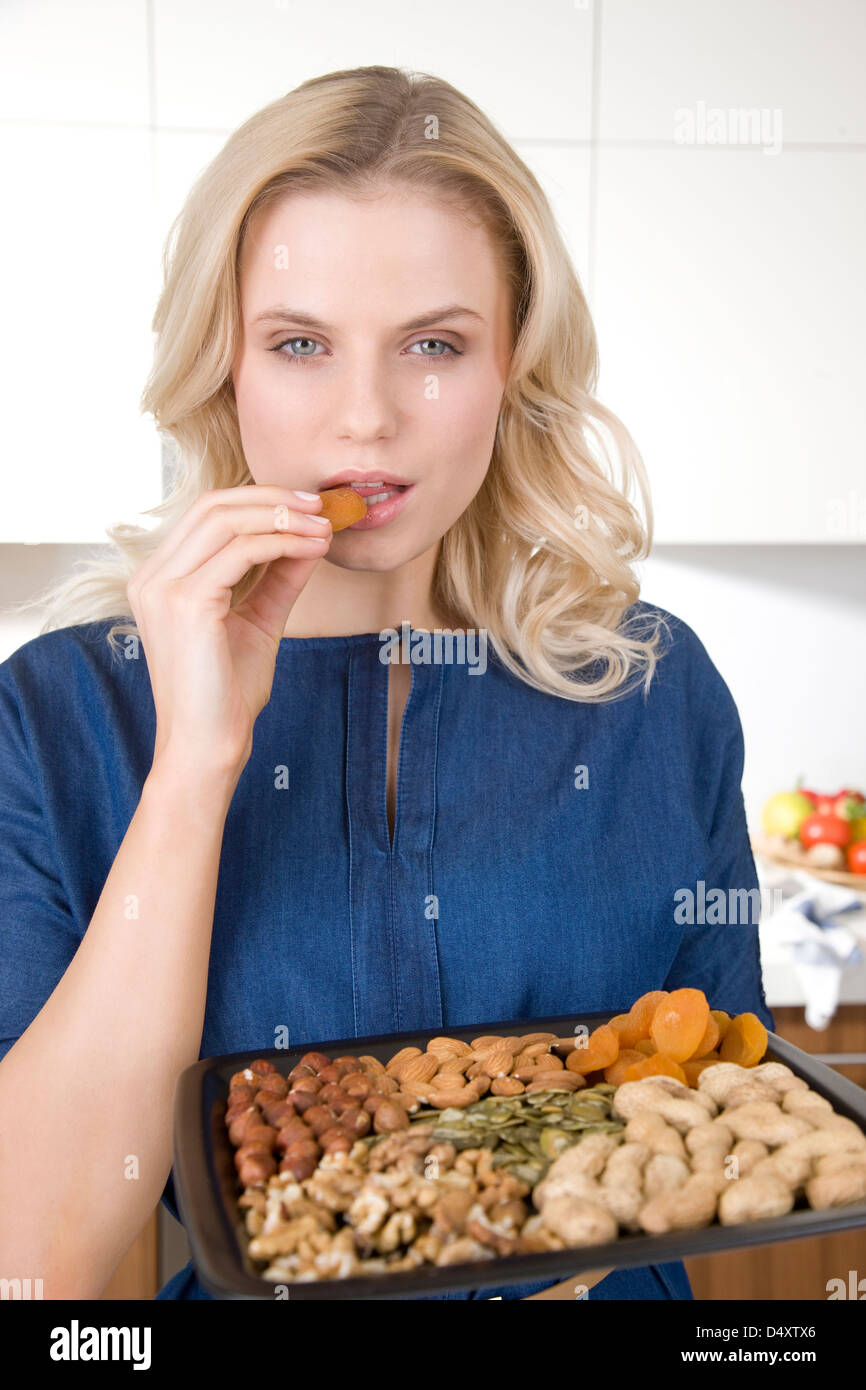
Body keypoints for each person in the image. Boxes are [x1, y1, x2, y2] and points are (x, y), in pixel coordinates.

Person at [0, 65, 772, 1301]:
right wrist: (197, 760)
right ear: (222, 364)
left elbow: (735, 1129)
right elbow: (41, 1264)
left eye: (431, 344)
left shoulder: (653, 694)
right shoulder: (57, 718)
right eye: (298, 343)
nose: (364, 421)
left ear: (512, 361)